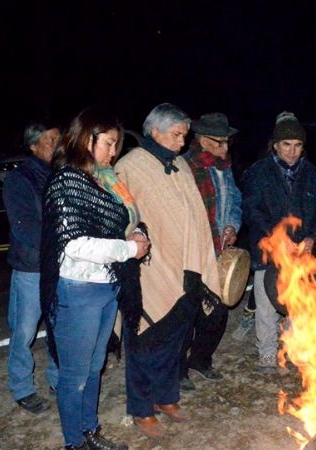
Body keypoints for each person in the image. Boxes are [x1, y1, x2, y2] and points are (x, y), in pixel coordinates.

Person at [41, 109, 148, 450]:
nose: (113, 152)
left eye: (116, 145)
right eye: (108, 143)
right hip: (79, 289)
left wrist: (139, 234)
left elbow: (129, 219)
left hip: (106, 285)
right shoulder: (67, 181)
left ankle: (90, 431)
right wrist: (128, 249)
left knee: (94, 367)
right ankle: (74, 443)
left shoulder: (104, 178)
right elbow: (75, 244)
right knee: (75, 374)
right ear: (87, 138)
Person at [116, 103, 221, 439]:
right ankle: (141, 409)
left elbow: (195, 217)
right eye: (177, 135)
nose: (182, 141)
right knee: (144, 341)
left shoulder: (180, 165)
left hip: (185, 270)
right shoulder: (130, 166)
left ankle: (165, 397)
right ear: (155, 131)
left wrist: (198, 261)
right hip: (148, 270)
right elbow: (122, 217)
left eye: (184, 135)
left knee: (176, 339)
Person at [242, 113, 316, 372]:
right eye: (286, 145)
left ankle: (294, 349)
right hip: (268, 250)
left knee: (297, 302)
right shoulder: (259, 172)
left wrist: (312, 236)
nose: (292, 151)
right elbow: (252, 210)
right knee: (266, 303)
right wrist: (277, 237)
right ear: (276, 145)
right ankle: (267, 352)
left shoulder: (313, 175)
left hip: (301, 253)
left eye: (297, 145)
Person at [179, 112, 242, 391]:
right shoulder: (185, 167)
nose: (225, 148)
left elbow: (235, 200)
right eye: (220, 142)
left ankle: (201, 359)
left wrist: (232, 225)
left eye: (228, 142)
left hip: (218, 250)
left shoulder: (224, 167)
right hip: (192, 252)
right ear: (203, 140)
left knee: (218, 310)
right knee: (187, 312)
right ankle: (179, 368)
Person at [3, 121, 61, 414]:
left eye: (59, 139)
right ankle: (22, 387)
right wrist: (60, 245)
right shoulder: (19, 179)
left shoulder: (60, 174)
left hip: (58, 266)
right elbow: (24, 225)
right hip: (31, 267)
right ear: (33, 145)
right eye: (51, 140)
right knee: (24, 331)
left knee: (58, 327)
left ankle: (57, 380)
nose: (57, 145)